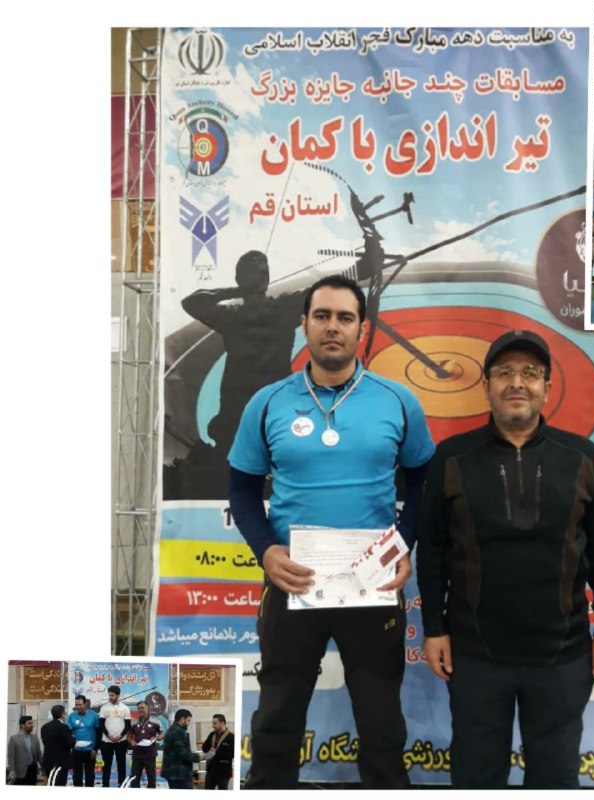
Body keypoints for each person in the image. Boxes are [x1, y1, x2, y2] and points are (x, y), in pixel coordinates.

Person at [229, 274, 435, 789]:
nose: (333, 327)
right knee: (277, 714)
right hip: (292, 581)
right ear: (304, 325)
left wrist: (403, 543)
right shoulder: (267, 403)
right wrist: (266, 550)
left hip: (373, 582)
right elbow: (242, 490)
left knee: (381, 719)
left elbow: (423, 482)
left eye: (345, 317)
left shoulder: (398, 401)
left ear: (362, 329)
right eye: (322, 316)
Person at [416, 330, 594, 789]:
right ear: (486, 386)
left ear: (546, 388)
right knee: (475, 777)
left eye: (530, 373)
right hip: (475, 654)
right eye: (504, 372)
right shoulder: (452, 458)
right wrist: (434, 628)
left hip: (562, 654)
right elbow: (431, 549)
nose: (517, 383)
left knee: (555, 778)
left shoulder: (582, 456)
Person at [181, 249, 304, 457]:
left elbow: (193, 301)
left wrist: (238, 291)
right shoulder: (284, 309)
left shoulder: (231, 316)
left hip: (242, 409)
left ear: (239, 279)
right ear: (266, 279)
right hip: (269, 406)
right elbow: (324, 291)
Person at [98, 685, 132, 787]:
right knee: (106, 765)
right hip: (106, 741)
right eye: (109, 695)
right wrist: (109, 736)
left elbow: (128, 726)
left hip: (121, 741)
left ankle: (122, 785)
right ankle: (105, 785)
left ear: (118, 695)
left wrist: (120, 736)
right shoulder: (104, 707)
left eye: (112, 695)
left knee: (121, 764)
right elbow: (101, 725)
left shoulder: (125, 708)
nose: (110, 697)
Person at [162, 709, 204, 790]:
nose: (189, 723)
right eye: (188, 720)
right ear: (182, 719)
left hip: (174, 773)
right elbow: (183, 754)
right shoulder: (178, 732)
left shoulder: (172, 729)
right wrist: (199, 756)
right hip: (180, 774)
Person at [67, 695, 101, 787]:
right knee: (76, 775)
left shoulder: (94, 715)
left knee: (90, 775)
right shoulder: (71, 716)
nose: (78, 707)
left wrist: (95, 749)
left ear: (85, 704)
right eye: (76, 705)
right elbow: (68, 733)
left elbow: (99, 733)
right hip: (76, 751)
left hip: (90, 751)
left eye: (80, 705)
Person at [128, 701, 163, 788]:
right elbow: (128, 737)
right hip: (137, 756)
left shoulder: (156, 721)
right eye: (139, 708)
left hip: (150, 755)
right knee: (134, 780)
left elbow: (162, 734)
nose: (140, 710)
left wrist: (157, 738)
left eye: (142, 708)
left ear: (147, 708)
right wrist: (131, 741)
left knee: (152, 781)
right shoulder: (133, 722)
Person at [41, 704, 75, 786]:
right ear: (63, 714)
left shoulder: (44, 727)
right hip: (59, 764)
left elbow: (45, 742)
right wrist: (73, 736)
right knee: (58, 786)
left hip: (49, 762)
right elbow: (71, 743)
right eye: (65, 713)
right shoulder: (63, 727)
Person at [201, 714, 235, 790]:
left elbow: (233, 754)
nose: (213, 726)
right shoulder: (212, 734)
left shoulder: (231, 737)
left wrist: (217, 753)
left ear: (222, 723)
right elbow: (204, 747)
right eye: (213, 723)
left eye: (215, 723)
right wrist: (209, 751)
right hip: (211, 770)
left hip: (223, 771)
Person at [6, 716, 42, 785]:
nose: (32, 725)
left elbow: (39, 755)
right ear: (22, 725)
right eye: (29, 723)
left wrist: (44, 768)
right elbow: (11, 757)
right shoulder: (14, 738)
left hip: (32, 771)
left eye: (32, 723)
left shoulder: (35, 737)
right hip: (19, 772)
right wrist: (12, 771)